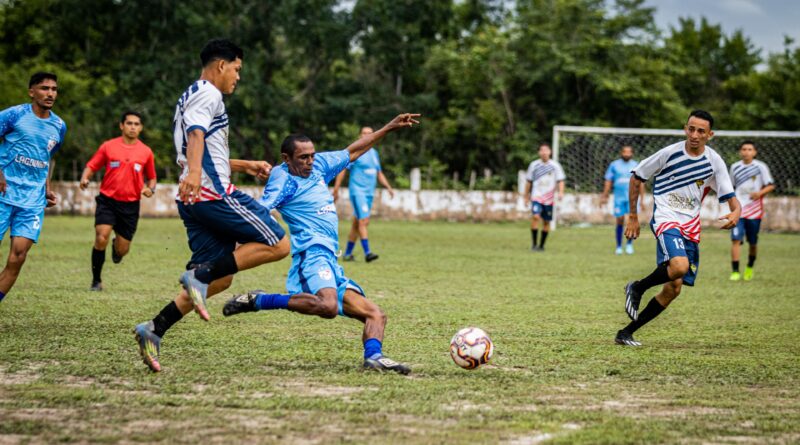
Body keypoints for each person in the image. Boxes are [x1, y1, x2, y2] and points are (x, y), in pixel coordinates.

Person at [133, 39, 290, 372]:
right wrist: (193, 172)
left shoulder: (189, 95)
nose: (237, 77)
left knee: (220, 279)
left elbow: (203, 148)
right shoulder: (209, 92)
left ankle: (154, 328)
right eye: (237, 69)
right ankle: (199, 274)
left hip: (193, 199)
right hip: (213, 195)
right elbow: (196, 136)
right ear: (221, 65)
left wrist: (245, 164)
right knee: (278, 243)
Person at [222, 113, 420, 374]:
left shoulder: (319, 165)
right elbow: (260, 212)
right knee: (326, 307)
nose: (310, 161)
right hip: (311, 254)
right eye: (303, 157)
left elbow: (353, 150)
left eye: (312, 155)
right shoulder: (283, 180)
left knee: (376, 314)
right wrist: (235, 240)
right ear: (286, 159)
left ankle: (374, 357)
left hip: (330, 260)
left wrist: (389, 128)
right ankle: (259, 300)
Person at [615, 110, 741, 346]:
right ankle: (637, 287)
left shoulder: (713, 161)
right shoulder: (669, 153)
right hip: (666, 217)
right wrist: (633, 215)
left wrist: (736, 212)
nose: (694, 135)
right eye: (690, 129)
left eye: (701, 131)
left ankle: (626, 333)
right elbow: (637, 177)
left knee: (673, 288)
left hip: (690, 226)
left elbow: (730, 196)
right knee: (679, 266)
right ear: (686, 128)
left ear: (710, 134)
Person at [0, 72, 66, 304]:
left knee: (18, 257)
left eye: (54, 89)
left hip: (32, 202)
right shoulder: (14, 115)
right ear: (31, 92)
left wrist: (46, 188)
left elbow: (45, 158)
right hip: (3, 195)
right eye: (44, 88)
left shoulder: (59, 126)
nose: (50, 93)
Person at [79, 111, 157, 291]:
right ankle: (96, 281)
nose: (132, 127)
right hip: (108, 201)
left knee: (122, 250)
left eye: (136, 124)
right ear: (122, 126)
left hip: (130, 205)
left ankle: (117, 248)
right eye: (129, 123)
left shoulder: (146, 151)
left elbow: (152, 178)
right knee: (101, 237)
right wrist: (85, 178)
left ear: (141, 128)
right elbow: (92, 165)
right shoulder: (108, 146)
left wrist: (149, 189)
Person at [332, 126, 395, 262]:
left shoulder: (374, 153)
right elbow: (342, 169)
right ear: (360, 136)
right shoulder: (356, 152)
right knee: (364, 221)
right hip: (357, 191)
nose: (367, 136)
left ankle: (348, 254)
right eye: (364, 133)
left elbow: (378, 172)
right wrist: (336, 189)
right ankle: (368, 253)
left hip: (369, 193)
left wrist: (388, 187)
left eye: (370, 134)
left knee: (357, 223)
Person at [728, 141, 774, 281]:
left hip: (754, 211)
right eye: (744, 149)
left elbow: (770, 185)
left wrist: (759, 194)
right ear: (740, 152)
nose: (746, 152)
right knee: (736, 239)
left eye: (749, 149)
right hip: (738, 210)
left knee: (752, 242)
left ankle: (749, 267)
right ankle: (735, 271)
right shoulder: (735, 167)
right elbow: (730, 188)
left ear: (754, 152)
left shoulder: (760, 167)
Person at [600, 145, 645, 255]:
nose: (627, 154)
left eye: (629, 152)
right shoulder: (614, 165)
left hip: (633, 198)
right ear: (621, 152)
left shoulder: (636, 165)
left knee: (632, 221)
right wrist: (604, 196)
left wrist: (642, 200)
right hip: (619, 198)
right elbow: (608, 181)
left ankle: (629, 244)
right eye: (625, 152)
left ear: (632, 153)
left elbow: (641, 183)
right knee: (619, 219)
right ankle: (619, 246)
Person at [523, 143, 565, 251]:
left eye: (546, 150)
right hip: (536, 196)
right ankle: (534, 244)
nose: (544, 152)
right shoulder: (534, 165)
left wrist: (561, 192)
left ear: (550, 152)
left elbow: (560, 180)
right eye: (542, 150)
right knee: (536, 217)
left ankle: (541, 245)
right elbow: (528, 181)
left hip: (549, 198)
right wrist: (526, 196)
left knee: (546, 222)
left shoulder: (555, 166)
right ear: (539, 152)